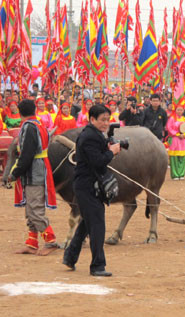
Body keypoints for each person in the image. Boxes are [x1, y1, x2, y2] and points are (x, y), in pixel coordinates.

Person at [63, 105, 121, 276]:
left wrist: (109, 148)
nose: (105, 123)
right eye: (102, 120)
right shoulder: (90, 137)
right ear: (92, 119)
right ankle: (97, 266)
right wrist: (112, 152)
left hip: (88, 185)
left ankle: (70, 256)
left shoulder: (94, 134)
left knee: (87, 223)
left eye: (107, 119)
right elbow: (98, 161)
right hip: (87, 186)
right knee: (97, 225)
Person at [8, 99, 58, 256]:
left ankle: (50, 241)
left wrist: (14, 173)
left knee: (35, 209)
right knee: (31, 208)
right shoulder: (38, 123)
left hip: (34, 171)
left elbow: (27, 154)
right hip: (36, 169)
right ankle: (32, 242)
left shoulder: (29, 127)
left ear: (20, 113)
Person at [166, 104, 185, 180]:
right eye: (178, 110)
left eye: (181, 110)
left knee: (182, 158)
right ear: (175, 110)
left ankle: (181, 173)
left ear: (183, 111)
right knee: (174, 158)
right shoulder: (172, 118)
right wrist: (177, 134)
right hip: (175, 140)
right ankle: (175, 174)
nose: (179, 111)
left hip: (183, 140)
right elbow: (169, 128)